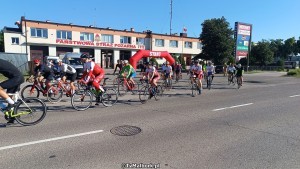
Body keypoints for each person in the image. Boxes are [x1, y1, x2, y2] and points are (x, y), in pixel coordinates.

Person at [0, 59, 24, 124]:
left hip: (17, 78)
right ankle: (12, 117)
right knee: (9, 99)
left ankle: (14, 104)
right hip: (14, 78)